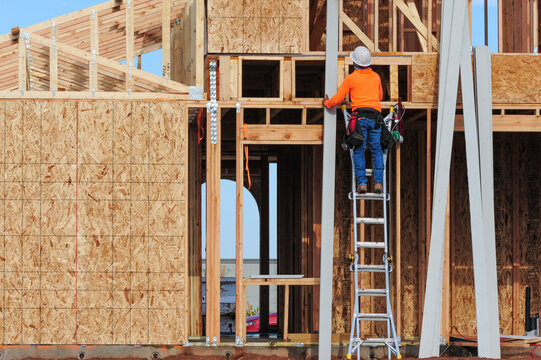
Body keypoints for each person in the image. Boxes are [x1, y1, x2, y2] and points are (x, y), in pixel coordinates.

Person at [323, 46, 384, 194]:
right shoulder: (376, 77)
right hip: (376, 118)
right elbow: (380, 96)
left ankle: (362, 184)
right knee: (377, 151)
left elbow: (338, 98)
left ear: (355, 62)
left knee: (359, 150)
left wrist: (327, 103)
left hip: (360, 119)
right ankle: (378, 184)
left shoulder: (351, 78)